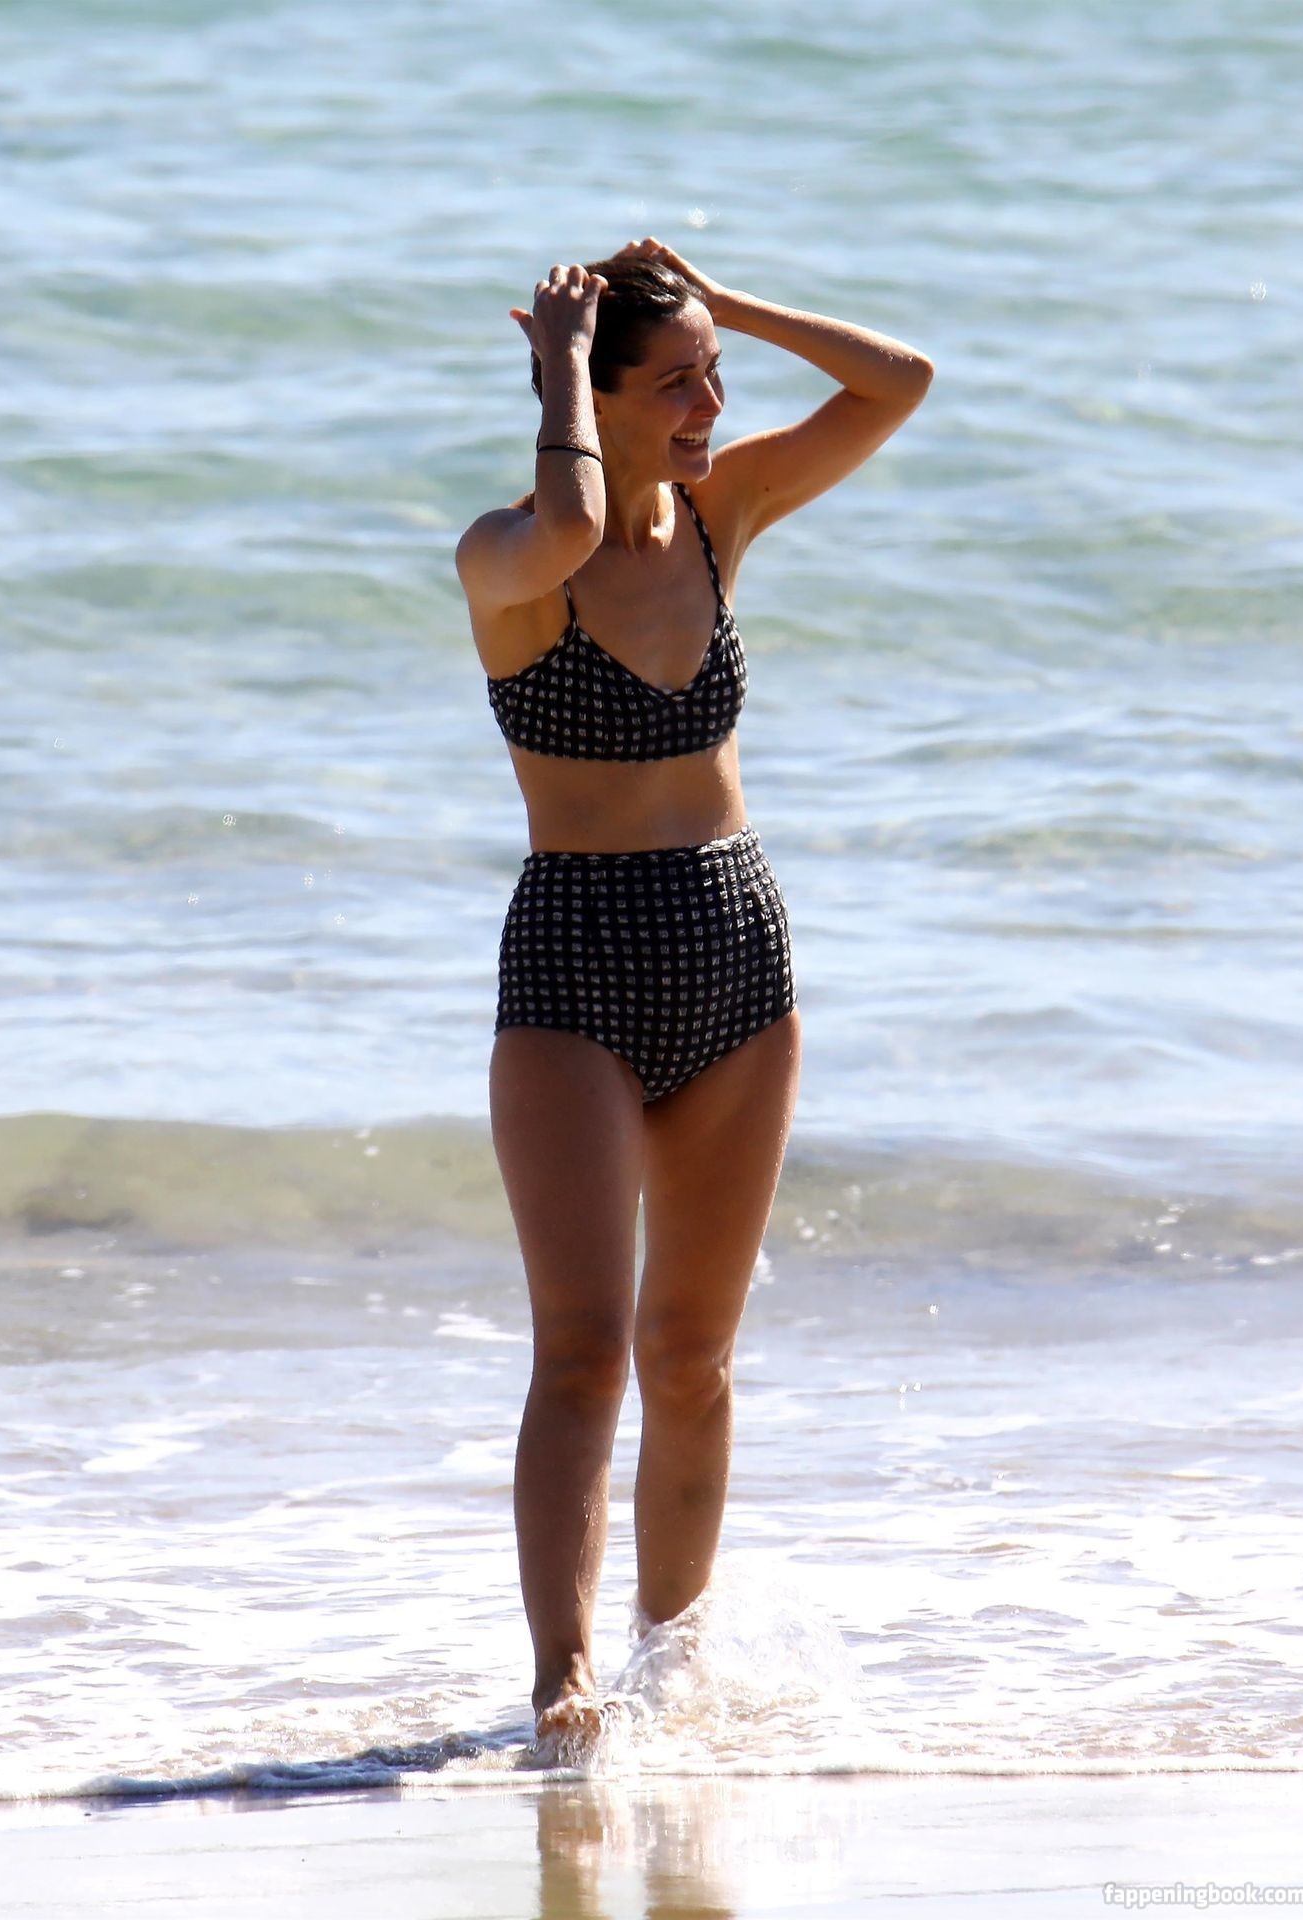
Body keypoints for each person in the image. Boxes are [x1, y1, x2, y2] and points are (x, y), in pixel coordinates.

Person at [455, 237, 933, 1755]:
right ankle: (565, 1680)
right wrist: (559, 370)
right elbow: (573, 517)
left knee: (693, 1358)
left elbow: (900, 383)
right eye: (676, 384)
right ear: (593, 400)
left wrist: (729, 303)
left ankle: (675, 1673)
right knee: (583, 1350)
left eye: (713, 377)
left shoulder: (726, 516)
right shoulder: (507, 558)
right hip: (575, 963)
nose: (711, 408)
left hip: (736, 947)